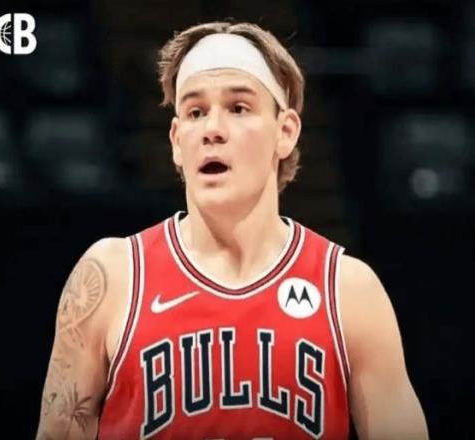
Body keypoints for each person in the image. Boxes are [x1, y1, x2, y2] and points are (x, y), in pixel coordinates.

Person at [36, 21, 428, 440]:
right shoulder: (113, 277)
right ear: (176, 141)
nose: (212, 129)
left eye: (238, 108)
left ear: (285, 131)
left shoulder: (347, 290)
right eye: (195, 112)